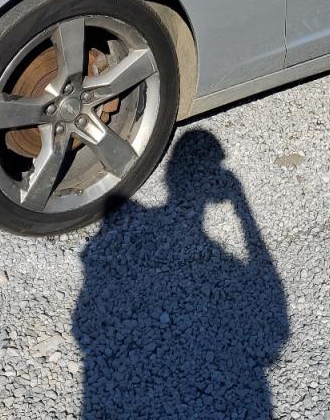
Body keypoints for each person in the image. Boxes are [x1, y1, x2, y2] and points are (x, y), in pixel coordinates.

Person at [73, 129, 289, 419]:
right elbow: (274, 321)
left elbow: (85, 325)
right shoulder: (201, 253)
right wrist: (241, 207)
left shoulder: (121, 247)